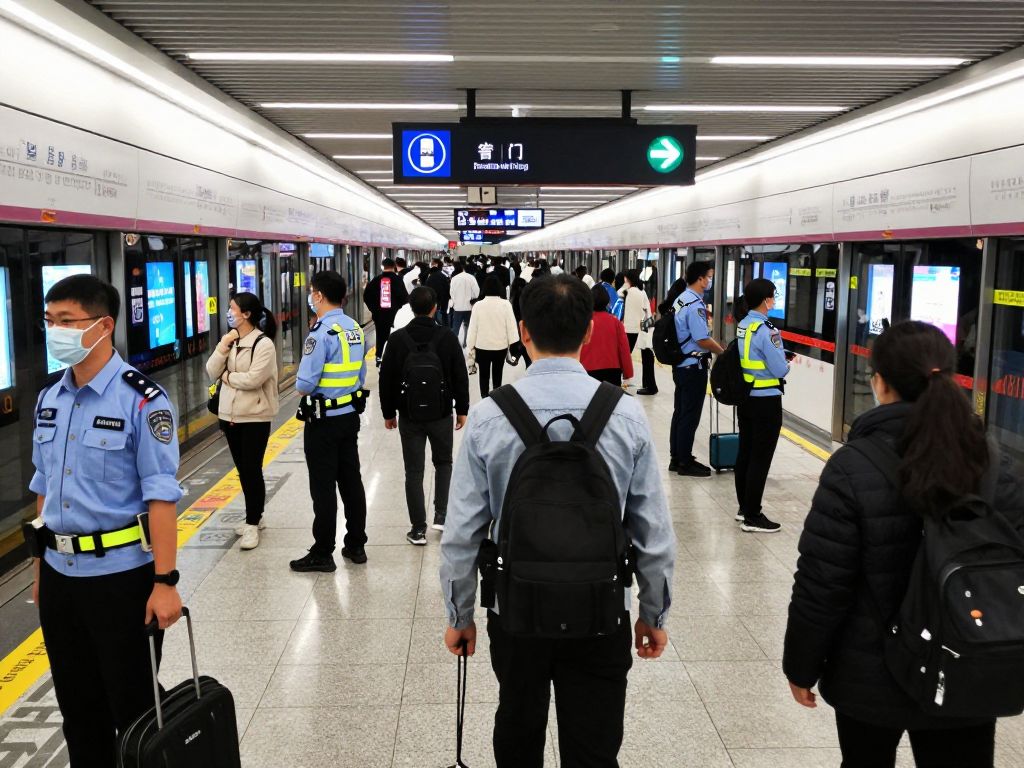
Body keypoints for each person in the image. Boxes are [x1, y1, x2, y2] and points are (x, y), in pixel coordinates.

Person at [440, 274, 676, 768]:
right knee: (594, 742)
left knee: (518, 727)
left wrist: (459, 616)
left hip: (516, 609)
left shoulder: (488, 416)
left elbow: (461, 534)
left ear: (523, 331)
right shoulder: (626, 415)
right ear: (589, 332)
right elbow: (653, 532)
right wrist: (652, 614)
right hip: (602, 608)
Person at [783, 321, 1024, 768]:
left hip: (870, 674)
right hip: (967, 664)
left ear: (878, 381)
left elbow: (823, 582)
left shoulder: (852, 467)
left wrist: (801, 664)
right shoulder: (993, 464)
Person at [27, 274, 183, 764]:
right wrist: (39, 568)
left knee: (134, 708)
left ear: (103, 326)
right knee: (78, 709)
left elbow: (161, 496)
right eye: (50, 321)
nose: (56, 332)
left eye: (67, 321)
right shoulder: (50, 398)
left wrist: (166, 581)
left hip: (122, 580)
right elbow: (42, 488)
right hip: (59, 579)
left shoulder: (143, 400)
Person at [291, 271, 370, 570]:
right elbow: (360, 375)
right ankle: (356, 545)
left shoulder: (320, 333)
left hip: (322, 422)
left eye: (312, 293)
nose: (311, 297)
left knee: (323, 488)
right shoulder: (355, 329)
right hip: (349, 418)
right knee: (352, 482)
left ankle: (323, 552)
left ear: (319, 296)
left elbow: (304, 384)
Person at [379, 287, 470, 543]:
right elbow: (459, 375)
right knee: (443, 464)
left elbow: (386, 379)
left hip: (409, 415)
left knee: (414, 472)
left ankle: (418, 529)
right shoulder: (447, 337)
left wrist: (389, 412)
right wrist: (461, 408)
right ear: (434, 307)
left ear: (410, 307)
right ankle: (441, 517)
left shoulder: (397, 340)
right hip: (441, 413)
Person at [206, 292, 280, 550]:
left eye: (232, 309)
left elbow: (253, 380)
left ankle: (252, 522)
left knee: (251, 470)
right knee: (242, 470)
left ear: (246, 314)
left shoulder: (263, 344)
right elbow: (211, 370)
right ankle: (255, 516)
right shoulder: (231, 341)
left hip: (255, 417)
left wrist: (227, 378)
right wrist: (223, 344)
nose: (229, 313)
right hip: (229, 416)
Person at [734, 278, 790, 533]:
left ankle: (744, 507)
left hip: (746, 397)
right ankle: (753, 516)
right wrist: (787, 363)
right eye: (773, 295)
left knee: (745, 452)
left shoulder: (744, 324)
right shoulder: (768, 330)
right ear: (765, 299)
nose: (774, 299)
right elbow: (779, 368)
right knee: (760, 457)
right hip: (766, 399)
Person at [669, 261, 725, 476]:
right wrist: (722, 352)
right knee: (690, 415)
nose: (710, 281)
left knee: (680, 412)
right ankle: (684, 461)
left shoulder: (681, 300)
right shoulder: (695, 305)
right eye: (709, 277)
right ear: (700, 279)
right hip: (693, 366)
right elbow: (702, 338)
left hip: (681, 365)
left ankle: (677, 457)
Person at [466, 276, 520, 397]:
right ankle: (497, 397)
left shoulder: (478, 305)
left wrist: (470, 346)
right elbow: (511, 326)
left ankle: (484, 397)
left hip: (482, 346)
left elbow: (473, 328)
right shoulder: (506, 304)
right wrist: (513, 345)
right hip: (500, 347)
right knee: (498, 373)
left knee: (483, 375)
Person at [580, 284, 633, 386]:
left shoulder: (583, 321)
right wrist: (627, 373)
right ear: (607, 301)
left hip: (587, 370)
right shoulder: (615, 322)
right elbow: (624, 349)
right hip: (612, 371)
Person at [363, 257, 409, 368]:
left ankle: (379, 357)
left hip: (379, 315)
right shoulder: (398, 280)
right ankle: (393, 358)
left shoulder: (375, 280)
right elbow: (404, 298)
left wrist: (373, 309)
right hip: (394, 315)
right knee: (395, 336)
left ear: (382, 267)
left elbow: (366, 296)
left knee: (380, 336)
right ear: (394, 267)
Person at [449, 261, 480, 346]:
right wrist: (472, 298)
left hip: (457, 308)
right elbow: (477, 292)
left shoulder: (454, 279)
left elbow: (452, 293)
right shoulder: (471, 277)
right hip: (469, 307)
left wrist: (455, 301)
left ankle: (454, 346)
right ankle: (467, 342)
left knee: (456, 329)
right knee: (469, 327)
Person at [426, 258, 451, 326]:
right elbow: (447, 288)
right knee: (444, 315)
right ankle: (446, 329)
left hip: (434, 299)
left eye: (432, 263)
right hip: (444, 299)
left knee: (434, 316)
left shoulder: (430, 277)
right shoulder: (443, 275)